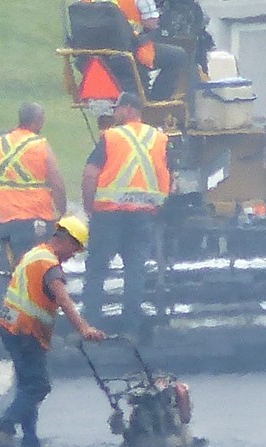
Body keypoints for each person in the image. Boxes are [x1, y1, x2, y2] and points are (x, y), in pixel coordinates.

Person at [0, 217, 105, 447]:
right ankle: (2, 427)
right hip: (27, 330)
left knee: (27, 383)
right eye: (74, 249)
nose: (72, 256)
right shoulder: (50, 266)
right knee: (38, 385)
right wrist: (84, 329)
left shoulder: (35, 254)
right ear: (66, 240)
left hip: (10, 327)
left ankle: (30, 440)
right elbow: (63, 300)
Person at [82, 92, 170, 331]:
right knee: (135, 272)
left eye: (117, 108)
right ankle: (130, 328)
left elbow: (90, 175)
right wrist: (157, 206)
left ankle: (90, 325)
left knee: (97, 269)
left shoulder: (111, 137)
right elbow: (167, 176)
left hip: (108, 215)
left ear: (129, 109)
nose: (114, 112)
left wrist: (89, 207)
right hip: (142, 215)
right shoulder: (159, 138)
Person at [0, 102, 68, 308]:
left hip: (6, 222)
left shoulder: (0, 143)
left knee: (7, 274)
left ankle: (3, 316)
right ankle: (32, 316)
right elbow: (57, 182)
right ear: (38, 121)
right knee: (38, 272)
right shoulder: (40, 146)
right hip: (37, 222)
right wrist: (63, 210)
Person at [87, 0, 188, 102]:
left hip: (92, 54)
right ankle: (156, 102)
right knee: (177, 56)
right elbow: (151, 23)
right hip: (132, 51)